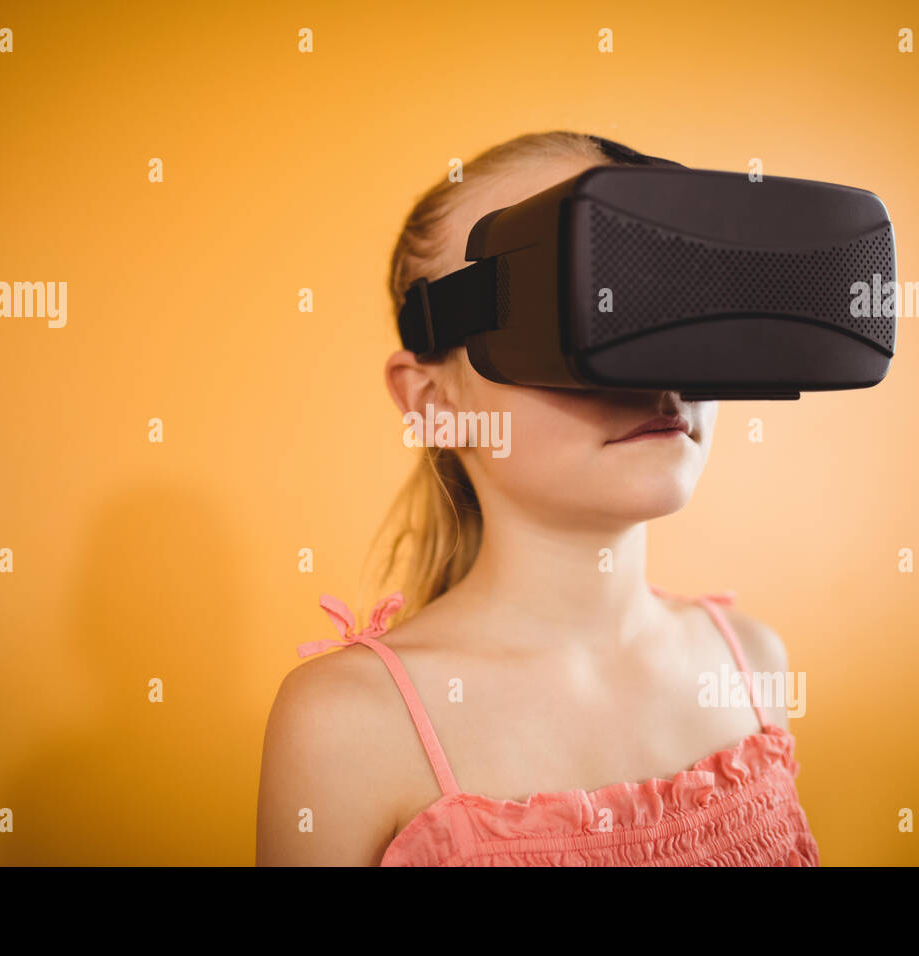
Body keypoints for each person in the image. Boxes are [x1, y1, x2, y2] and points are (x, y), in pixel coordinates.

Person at [256, 131, 819, 866]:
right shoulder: (347, 724)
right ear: (432, 399)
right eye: (576, 309)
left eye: (675, 299)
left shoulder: (750, 661)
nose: (655, 370)